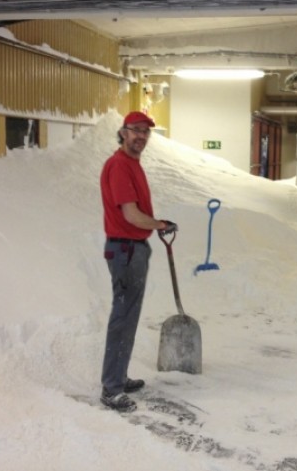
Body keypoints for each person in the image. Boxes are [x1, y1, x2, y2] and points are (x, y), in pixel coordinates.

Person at [99, 111, 178, 412]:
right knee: (123, 317)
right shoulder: (119, 166)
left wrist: (156, 226)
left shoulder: (132, 164)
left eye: (145, 132)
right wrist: (159, 225)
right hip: (125, 250)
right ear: (122, 132)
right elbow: (130, 214)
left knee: (128, 316)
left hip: (133, 248)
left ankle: (118, 376)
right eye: (135, 131)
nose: (141, 137)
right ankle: (111, 388)